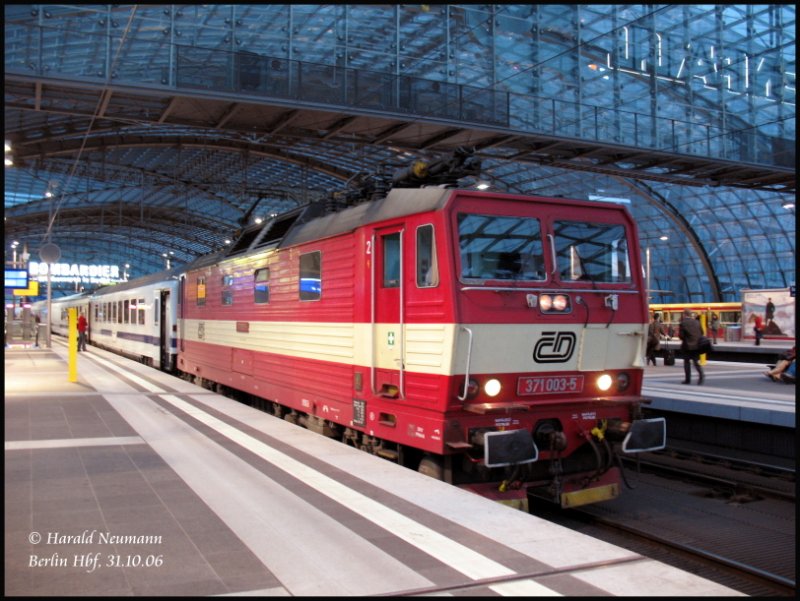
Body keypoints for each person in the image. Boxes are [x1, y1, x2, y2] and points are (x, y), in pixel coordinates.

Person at [678, 308, 704, 385]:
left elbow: (681, 336)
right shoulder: (697, 322)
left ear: (684, 314)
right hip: (697, 346)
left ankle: (687, 379)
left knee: (686, 363)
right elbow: (702, 333)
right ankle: (701, 375)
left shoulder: (683, 323)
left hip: (687, 346)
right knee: (696, 362)